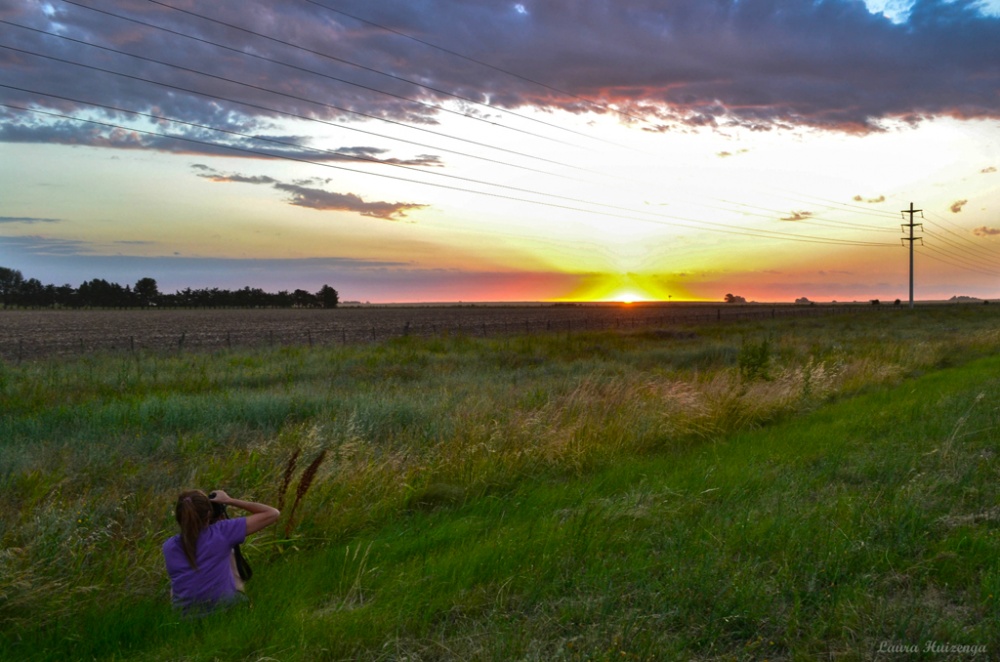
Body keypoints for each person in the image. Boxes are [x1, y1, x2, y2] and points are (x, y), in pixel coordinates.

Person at [163, 489, 280, 615]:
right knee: (239, 593)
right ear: (209, 514)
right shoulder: (222, 532)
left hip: (184, 616)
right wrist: (228, 500)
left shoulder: (169, 546)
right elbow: (272, 513)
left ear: (179, 517)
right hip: (222, 609)